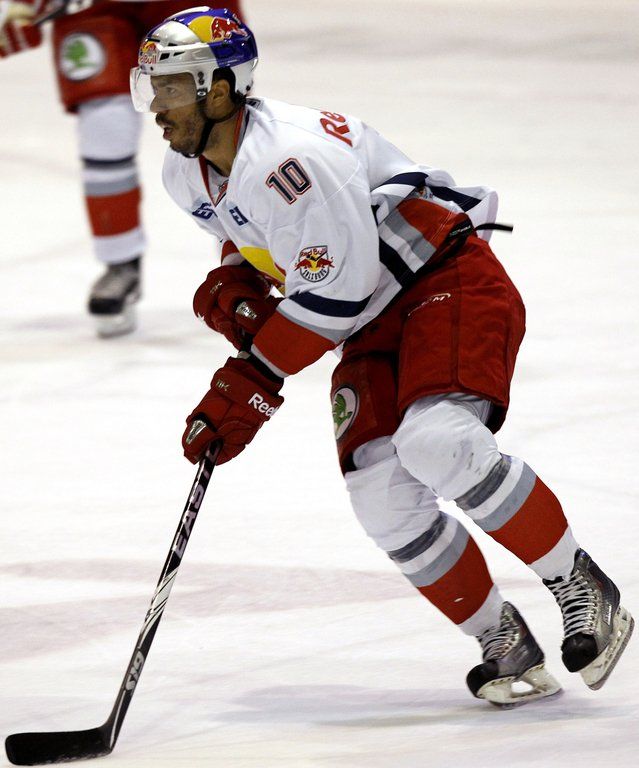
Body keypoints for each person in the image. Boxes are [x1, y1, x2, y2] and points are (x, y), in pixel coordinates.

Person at [130, 6, 634, 707]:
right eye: (150, 88)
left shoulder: (291, 160)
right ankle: (502, 638)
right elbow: (252, 236)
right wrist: (233, 281)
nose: (156, 108)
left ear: (220, 89)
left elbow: (334, 296)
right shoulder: (187, 171)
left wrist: (249, 380)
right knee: (380, 494)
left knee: (437, 440)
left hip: (441, 279)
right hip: (369, 314)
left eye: (171, 88)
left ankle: (578, 581)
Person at [0, 0, 242, 336]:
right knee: (105, 126)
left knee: (212, 121)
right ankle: (120, 262)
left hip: (186, 6)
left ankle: (245, 257)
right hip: (100, 9)